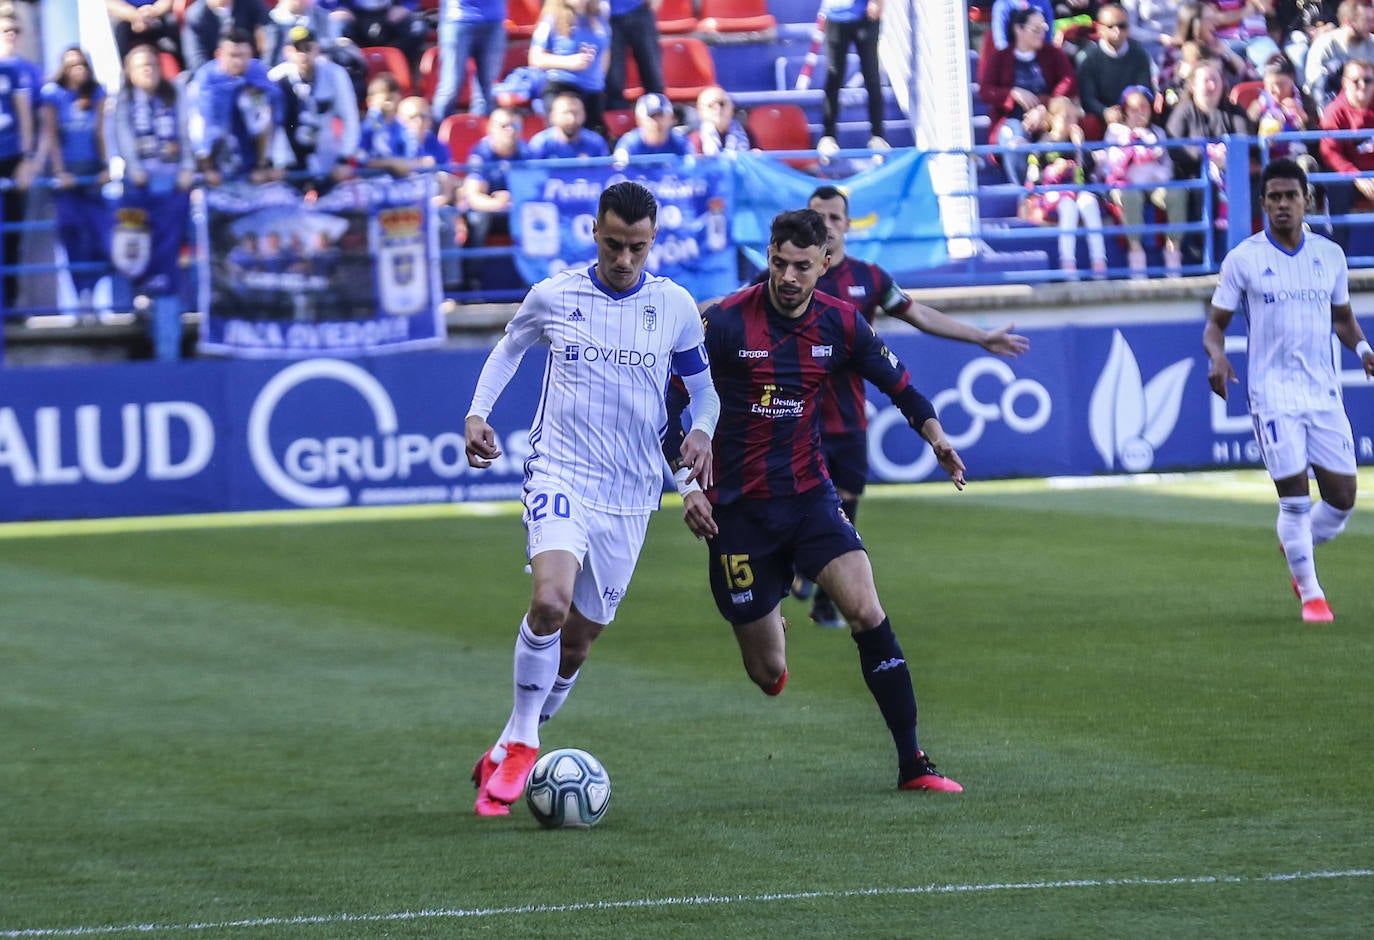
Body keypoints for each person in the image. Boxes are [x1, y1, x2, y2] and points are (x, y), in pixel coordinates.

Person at [666, 208, 966, 793]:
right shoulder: (724, 323)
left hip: (809, 499)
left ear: (825, 264)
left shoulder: (842, 323)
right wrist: (687, 481)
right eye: (778, 263)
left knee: (865, 610)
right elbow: (663, 404)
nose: (788, 276)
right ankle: (770, 615)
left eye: (802, 266)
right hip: (737, 513)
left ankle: (913, 763)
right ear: (768, 257)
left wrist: (937, 438)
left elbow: (900, 385)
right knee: (767, 672)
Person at [463, 180, 720, 816]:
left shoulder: (677, 306)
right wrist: (477, 414)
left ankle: (509, 741)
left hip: (631, 495)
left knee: (576, 644)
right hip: (561, 473)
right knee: (548, 601)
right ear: (594, 233)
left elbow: (703, 392)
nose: (624, 258)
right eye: (613, 244)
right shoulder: (555, 294)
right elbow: (508, 349)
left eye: (637, 247)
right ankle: (525, 738)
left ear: (653, 239)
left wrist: (703, 438)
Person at [786, 185, 1029, 627]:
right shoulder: (787, 276)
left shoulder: (870, 279)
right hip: (793, 422)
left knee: (844, 512)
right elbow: (731, 314)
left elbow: (919, 314)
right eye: (817, 216)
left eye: (835, 218)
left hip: (848, 419)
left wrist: (980, 336)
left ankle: (823, 596)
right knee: (805, 507)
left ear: (846, 225)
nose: (826, 225)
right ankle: (802, 569)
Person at [1202, 157, 1374, 623]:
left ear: (1307, 202)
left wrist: (1362, 350)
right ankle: (1312, 594)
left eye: (1290, 196)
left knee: (1341, 499)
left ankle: (1295, 545)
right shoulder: (1244, 260)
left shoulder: (1330, 257)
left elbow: (1342, 318)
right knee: (1295, 498)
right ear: (1262, 204)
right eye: (1274, 197)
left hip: (1323, 393)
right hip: (1271, 394)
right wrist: (1218, 358)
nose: (1282, 204)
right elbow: (1214, 326)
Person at [110, 43, 196, 298]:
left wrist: (188, 167)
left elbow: (185, 130)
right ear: (130, 72)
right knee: (133, 244)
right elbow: (122, 134)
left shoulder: (174, 93)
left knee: (177, 245)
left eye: (151, 65)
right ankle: (134, 301)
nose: (147, 71)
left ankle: (179, 300)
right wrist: (134, 167)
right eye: (141, 66)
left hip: (172, 182)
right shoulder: (124, 99)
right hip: (139, 186)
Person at [37, 46, 111, 315]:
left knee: (102, 237)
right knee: (73, 236)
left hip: (92, 173)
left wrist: (105, 167)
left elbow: (100, 133)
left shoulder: (97, 92)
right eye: (71, 65)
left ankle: (95, 292)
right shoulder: (53, 94)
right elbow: (51, 136)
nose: (77, 69)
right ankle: (82, 298)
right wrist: (60, 171)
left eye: (81, 64)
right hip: (67, 176)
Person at [979, 5, 1079, 183]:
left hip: (1049, 119)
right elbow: (986, 91)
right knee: (1014, 139)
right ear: (1018, 29)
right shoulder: (1001, 57)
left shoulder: (1052, 53)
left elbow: (1068, 81)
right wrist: (1012, 93)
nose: (1041, 33)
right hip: (1012, 118)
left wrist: (1045, 108)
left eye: (1044, 28)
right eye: (1036, 29)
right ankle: (1026, 192)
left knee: (1064, 135)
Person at [1101, 84, 1187, 276]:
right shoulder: (1115, 132)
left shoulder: (1158, 132)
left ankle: (1173, 253)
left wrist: (1159, 175)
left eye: (1144, 107)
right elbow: (1111, 165)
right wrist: (1130, 147)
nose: (1140, 112)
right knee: (1130, 196)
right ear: (1125, 110)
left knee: (1176, 193)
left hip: (1154, 185)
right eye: (1134, 108)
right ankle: (1136, 253)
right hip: (1126, 185)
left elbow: (1167, 165)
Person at [1021, 96, 1108, 276]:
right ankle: (1068, 263)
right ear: (1052, 119)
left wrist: (1080, 146)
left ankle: (1099, 261)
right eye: (1065, 117)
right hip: (1055, 194)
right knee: (1068, 208)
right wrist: (1052, 172)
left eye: (1073, 118)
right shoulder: (1042, 145)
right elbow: (1033, 178)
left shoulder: (1077, 144)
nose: (1070, 122)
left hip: (1080, 190)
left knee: (1088, 204)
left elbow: (1087, 169)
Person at [187, 26, 283, 186]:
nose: (238, 61)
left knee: (258, 102)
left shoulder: (258, 72)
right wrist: (208, 168)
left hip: (252, 158)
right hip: (216, 161)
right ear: (219, 55)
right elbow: (200, 126)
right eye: (232, 56)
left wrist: (266, 164)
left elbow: (274, 117)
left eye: (243, 56)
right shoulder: (206, 79)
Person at [269, 25, 359, 185]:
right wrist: (273, 160)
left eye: (308, 47)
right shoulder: (276, 78)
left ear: (316, 49)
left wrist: (344, 158)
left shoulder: (335, 74)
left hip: (326, 155)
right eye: (298, 49)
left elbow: (350, 117)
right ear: (287, 52)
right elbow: (269, 124)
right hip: (287, 156)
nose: (303, 54)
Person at [460, 106, 530, 295]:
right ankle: (472, 286)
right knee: (477, 219)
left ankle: (532, 284)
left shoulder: (527, 152)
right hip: (490, 211)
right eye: (504, 126)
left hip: (516, 211)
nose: (510, 130)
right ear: (491, 129)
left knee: (536, 217)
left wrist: (514, 201)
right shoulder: (481, 153)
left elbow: (536, 194)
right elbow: (473, 197)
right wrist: (497, 204)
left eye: (514, 125)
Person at [816, 0, 889, 157]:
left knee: (872, 76)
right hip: (835, 16)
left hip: (864, 16)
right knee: (833, 76)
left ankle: (877, 136)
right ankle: (828, 137)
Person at [0, 10, 37, 313]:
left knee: (11, 234)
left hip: (11, 158)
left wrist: (27, 159)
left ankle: (10, 304)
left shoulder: (19, 71)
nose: (10, 34)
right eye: (4, 29)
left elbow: (26, 115)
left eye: (15, 29)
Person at [1074, 3, 1157, 139]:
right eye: (1111, 26)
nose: (1117, 30)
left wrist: (1128, 111)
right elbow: (1087, 98)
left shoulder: (1140, 55)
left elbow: (1144, 90)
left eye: (1122, 26)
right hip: (1102, 117)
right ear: (1100, 28)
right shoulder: (1088, 58)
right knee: (1089, 123)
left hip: (1133, 112)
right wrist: (1105, 112)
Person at [529, 0, 610, 137]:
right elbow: (535, 58)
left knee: (596, 141)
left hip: (593, 93)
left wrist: (598, 79)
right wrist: (568, 62)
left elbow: (605, 53)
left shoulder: (600, 18)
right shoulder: (550, 19)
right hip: (562, 88)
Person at [432, 0, 507, 120]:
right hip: (458, 19)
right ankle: (436, 134)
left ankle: (477, 133)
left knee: (486, 91)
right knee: (450, 89)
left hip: (494, 20)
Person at [1303, 0, 1374, 111]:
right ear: (1348, 23)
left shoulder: (1372, 43)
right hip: (1334, 108)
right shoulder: (1325, 45)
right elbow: (1314, 85)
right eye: (1366, 21)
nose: (1371, 25)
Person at [182, 0, 271, 75]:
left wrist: (266, 66)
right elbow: (195, 56)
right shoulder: (196, 15)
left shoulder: (249, 3)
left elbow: (271, 29)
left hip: (251, 70)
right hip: (214, 76)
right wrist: (217, 76)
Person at [604, 0, 664, 111]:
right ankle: (618, 122)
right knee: (614, 80)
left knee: (652, 74)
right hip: (606, 16)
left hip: (639, 11)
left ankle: (659, 115)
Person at [527, 90, 610, 159]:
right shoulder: (541, 144)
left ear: (584, 115)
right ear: (553, 116)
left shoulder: (596, 143)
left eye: (575, 113)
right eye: (565, 113)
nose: (571, 119)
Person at [611, 91, 690, 163]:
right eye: (652, 117)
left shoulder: (679, 140)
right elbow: (620, 173)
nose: (656, 122)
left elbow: (690, 169)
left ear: (671, 118)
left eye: (660, 115)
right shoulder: (629, 144)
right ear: (639, 120)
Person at [105, 0, 183, 66]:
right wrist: (134, 16)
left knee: (173, 22)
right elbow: (108, 3)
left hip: (157, 12)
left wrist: (154, 12)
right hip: (124, 16)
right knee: (114, 29)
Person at [688, 85, 754, 155]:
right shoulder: (696, 138)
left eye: (722, 104)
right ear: (700, 112)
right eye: (710, 105)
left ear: (732, 108)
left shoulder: (746, 133)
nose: (718, 109)